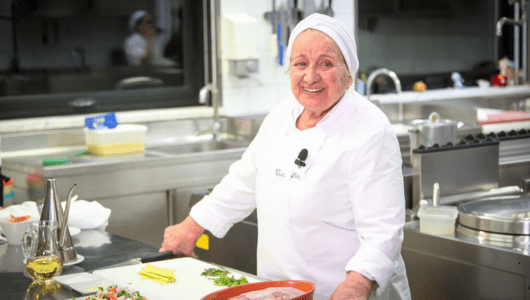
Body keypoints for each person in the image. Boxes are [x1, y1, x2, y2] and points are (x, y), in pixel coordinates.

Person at [160, 13, 411, 300]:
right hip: (280, 290)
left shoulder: (369, 130)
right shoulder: (281, 115)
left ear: (348, 74)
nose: (311, 76)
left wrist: (357, 285)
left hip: (343, 291)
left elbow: (383, 231)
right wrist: (191, 227)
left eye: (326, 64)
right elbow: (243, 181)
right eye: (300, 63)